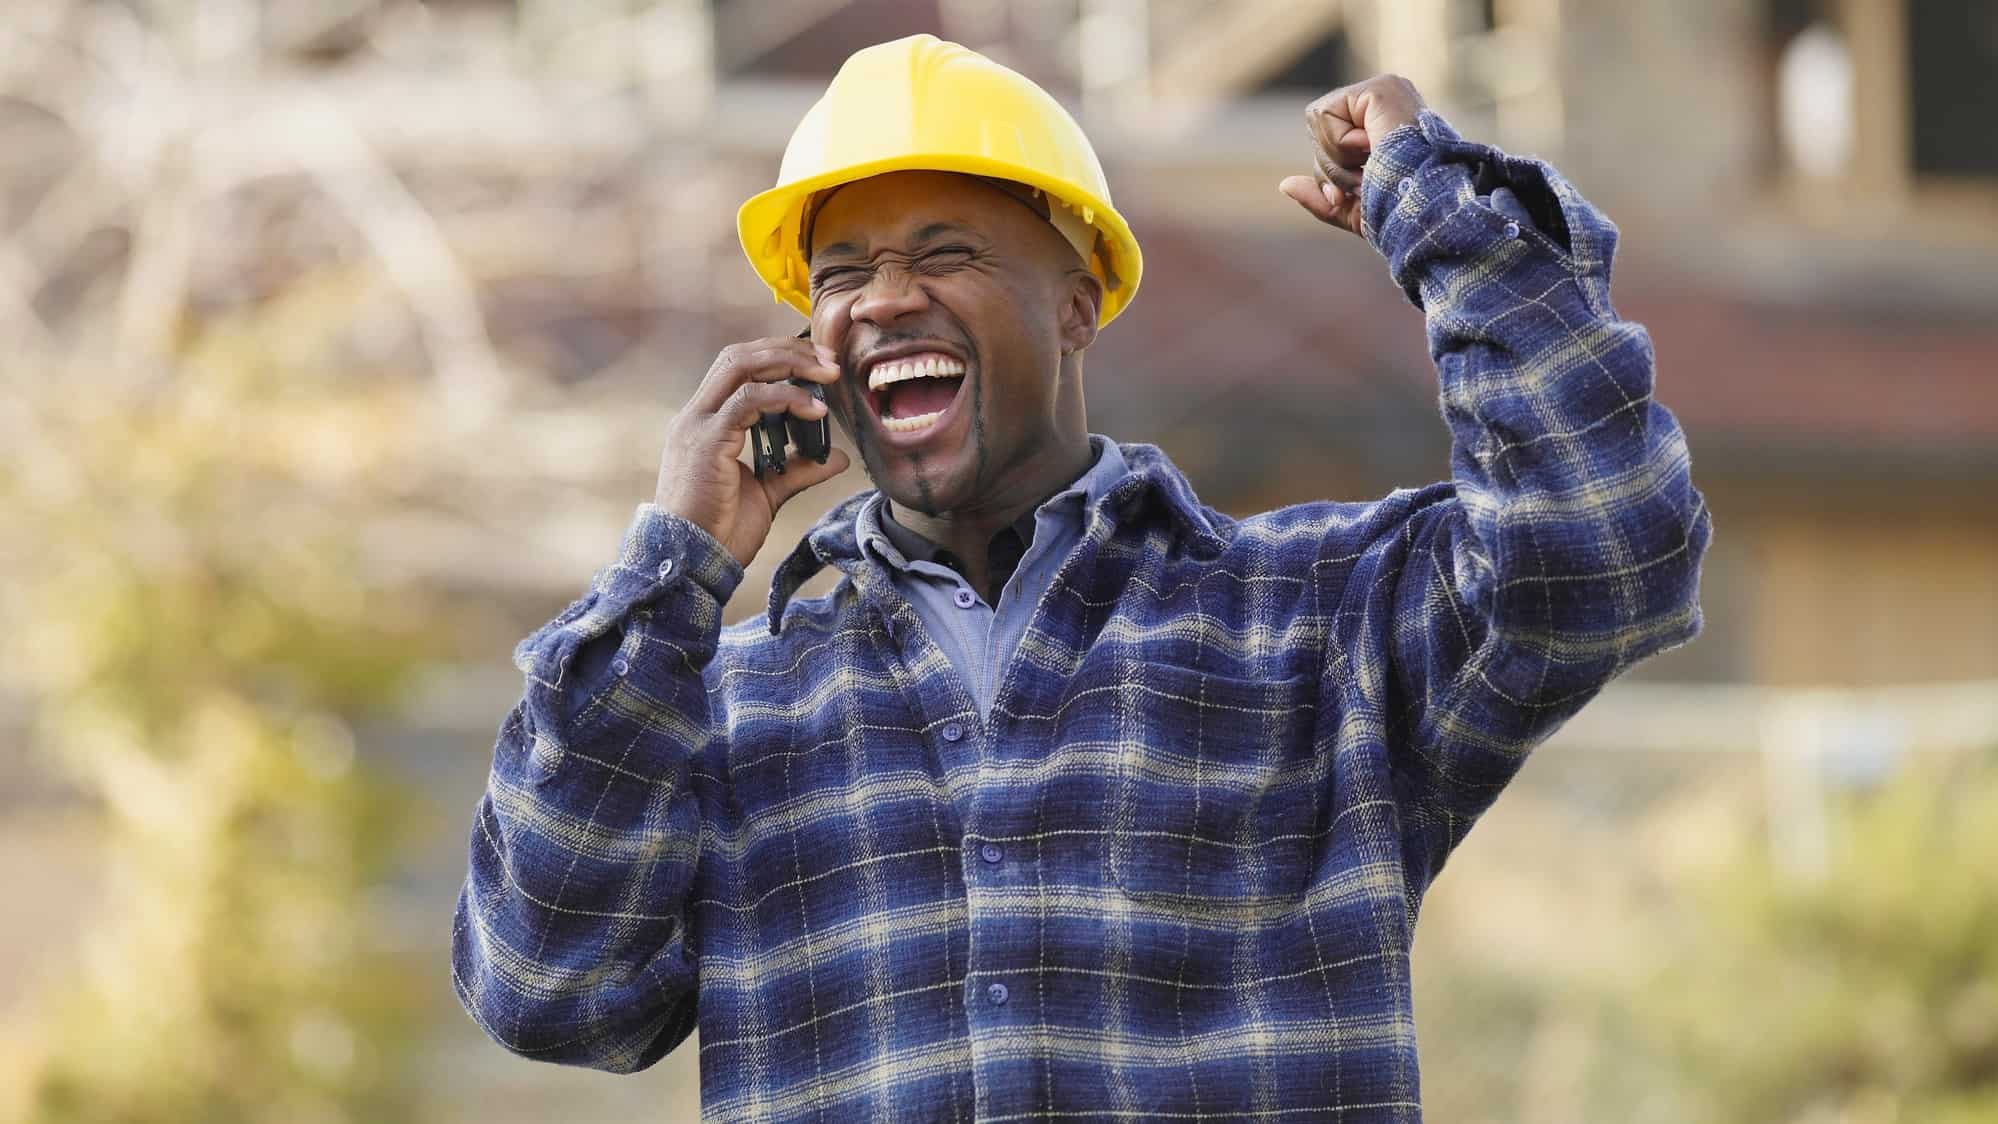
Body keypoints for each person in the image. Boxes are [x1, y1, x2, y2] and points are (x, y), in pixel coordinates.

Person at [452, 33, 1710, 1122]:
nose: (886, 298)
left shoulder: (1314, 619)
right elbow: (548, 988)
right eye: (841, 274)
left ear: (1078, 300)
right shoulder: (723, 705)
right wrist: (673, 572)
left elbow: (1608, 545)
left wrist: (1444, 220)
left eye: (948, 254)